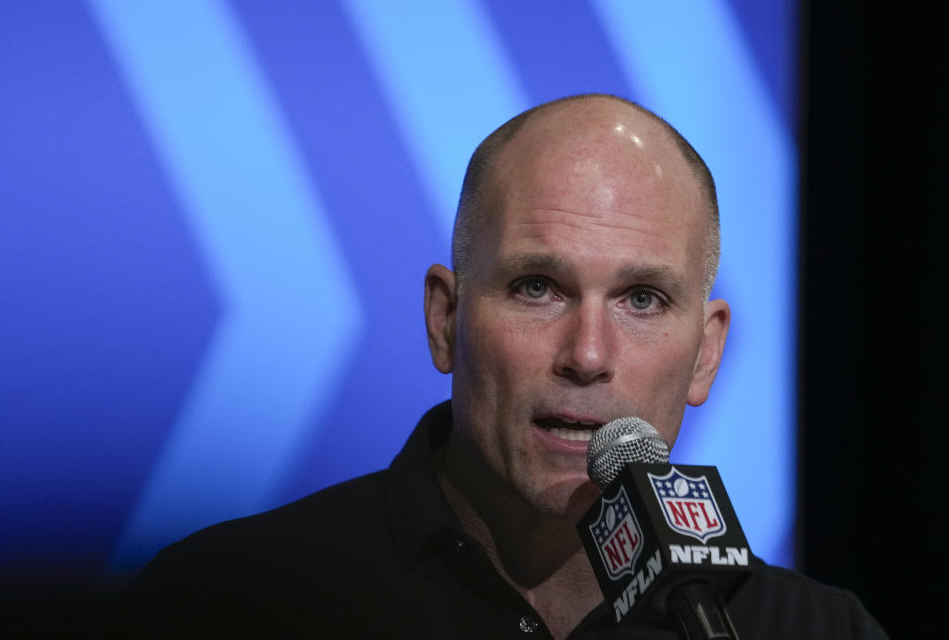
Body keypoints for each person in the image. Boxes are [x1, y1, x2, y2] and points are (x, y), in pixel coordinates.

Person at [126, 94, 888, 638]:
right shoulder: (228, 603)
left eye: (643, 299)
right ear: (445, 319)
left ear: (707, 351)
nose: (588, 355)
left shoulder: (816, 630)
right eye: (538, 288)